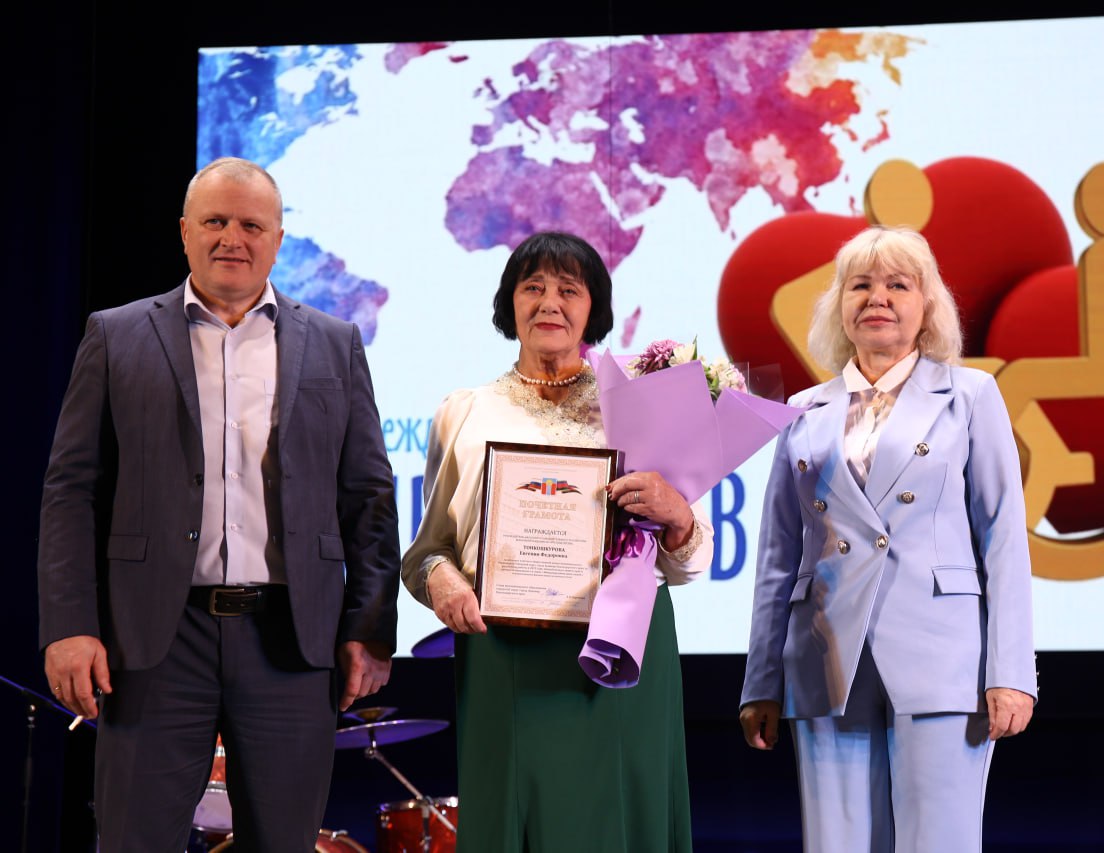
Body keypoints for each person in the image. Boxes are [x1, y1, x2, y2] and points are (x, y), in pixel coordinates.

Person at [38, 157, 400, 853]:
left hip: (291, 642)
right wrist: (69, 625)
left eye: (251, 225)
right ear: (184, 232)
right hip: (153, 641)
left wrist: (371, 625)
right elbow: (70, 490)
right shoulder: (115, 335)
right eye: (215, 221)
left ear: (278, 240)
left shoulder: (335, 343)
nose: (233, 237)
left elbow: (369, 496)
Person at [401, 231, 713, 852]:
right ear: (509, 303)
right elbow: (426, 551)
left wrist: (677, 515)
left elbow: (688, 559)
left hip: (619, 655)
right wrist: (441, 580)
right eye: (533, 287)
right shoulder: (464, 411)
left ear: (593, 307)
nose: (550, 302)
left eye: (569, 289)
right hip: (504, 657)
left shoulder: (636, 407)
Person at [739, 225, 1037, 853]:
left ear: (927, 304)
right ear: (838, 305)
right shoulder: (803, 411)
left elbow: (1004, 540)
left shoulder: (970, 395)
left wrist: (1011, 671)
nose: (878, 298)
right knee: (835, 843)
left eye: (898, 285)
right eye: (861, 285)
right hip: (823, 656)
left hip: (941, 654)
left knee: (940, 841)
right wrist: (761, 682)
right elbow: (778, 557)